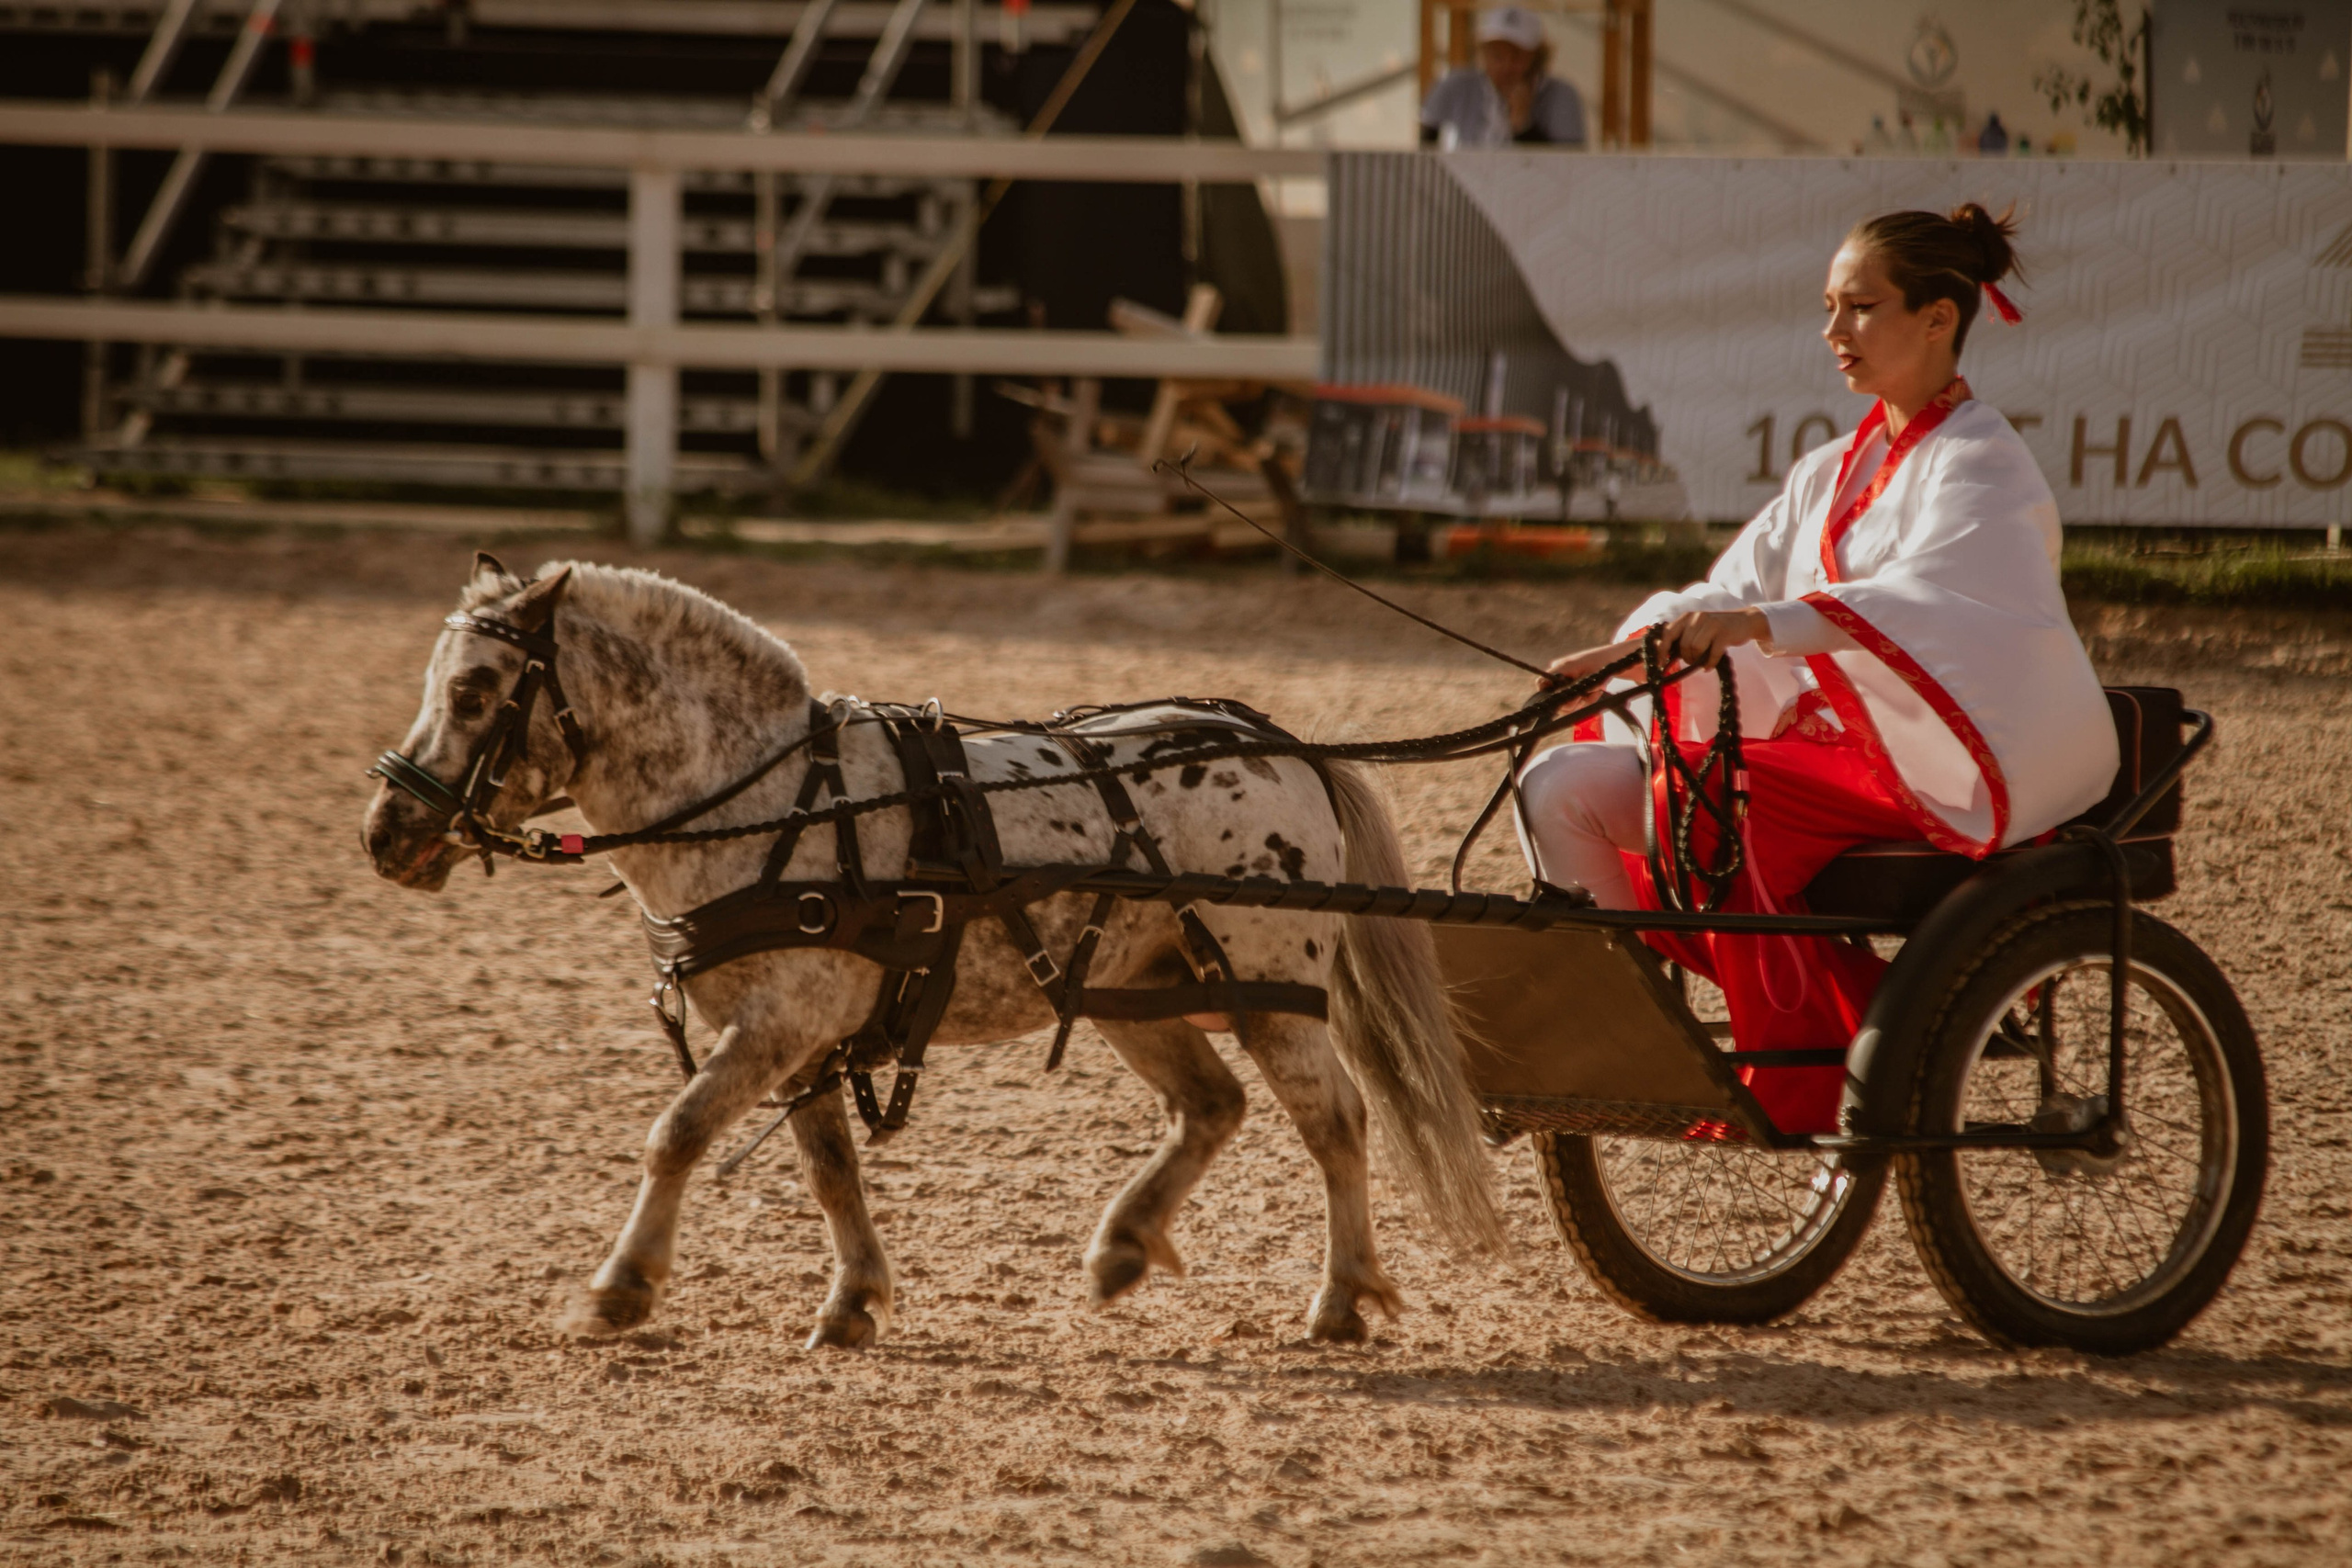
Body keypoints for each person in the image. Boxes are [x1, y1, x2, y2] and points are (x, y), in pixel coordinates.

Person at [1514, 204, 2115, 1134]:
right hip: (1821, 757)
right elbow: (1725, 585)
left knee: (1704, 797)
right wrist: (1625, 652)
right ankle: (1638, 1039)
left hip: (1924, 764)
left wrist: (1765, 621)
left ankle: (1798, 1068)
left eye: (1859, 308)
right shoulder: (1829, 470)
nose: (1833, 333)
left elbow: (1938, 595)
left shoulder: (1984, 462)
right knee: (1558, 786)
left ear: (1937, 319)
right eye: (1829, 308)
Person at [1419, 6, 1587, 149]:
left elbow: (1569, 169)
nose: (1506, 66)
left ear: (1537, 58)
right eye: (1496, 55)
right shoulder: (1454, 85)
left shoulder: (1562, 96)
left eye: (1517, 56)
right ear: (1483, 53)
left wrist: (1523, 126)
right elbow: (1425, 148)